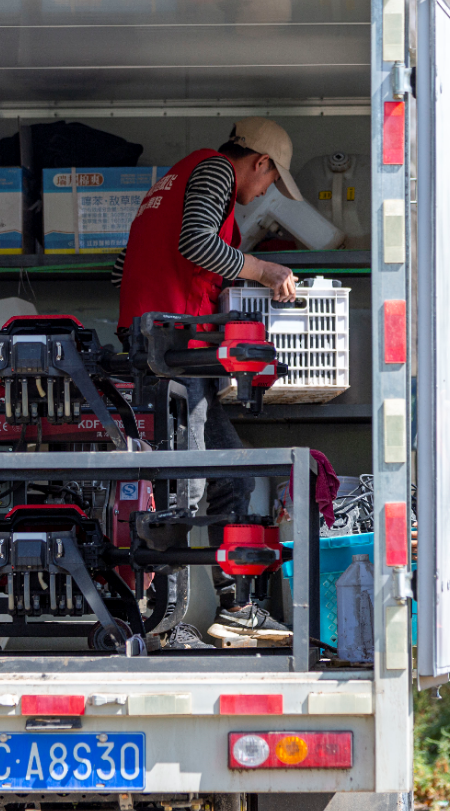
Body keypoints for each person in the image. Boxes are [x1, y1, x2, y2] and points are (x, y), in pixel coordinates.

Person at [112, 117, 301, 646]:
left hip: (167, 348)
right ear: (259, 163)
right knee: (186, 487)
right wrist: (261, 270)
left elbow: (128, 261)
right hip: (171, 351)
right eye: (269, 182)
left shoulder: (173, 180)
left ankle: (237, 611)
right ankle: (160, 624)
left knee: (228, 477)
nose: (263, 193)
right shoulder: (215, 171)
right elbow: (196, 244)